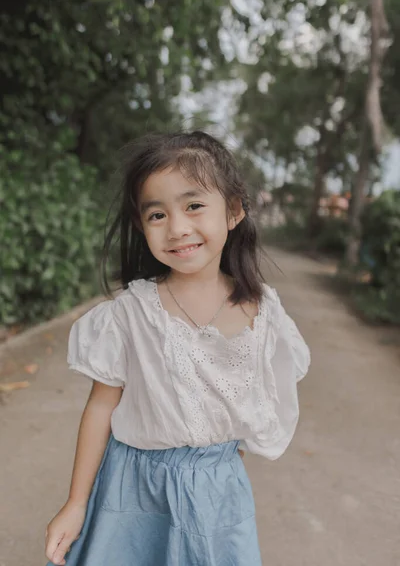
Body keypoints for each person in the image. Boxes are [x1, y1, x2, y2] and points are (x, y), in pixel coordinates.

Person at [44, 130, 310, 566]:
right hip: (133, 490)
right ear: (141, 226)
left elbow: (256, 399)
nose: (178, 228)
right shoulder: (129, 314)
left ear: (234, 210)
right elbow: (99, 408)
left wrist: (219, 455)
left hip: (220, 494)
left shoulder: (266, 315)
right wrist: (76, 503)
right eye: (156, 215)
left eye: (194, 205)